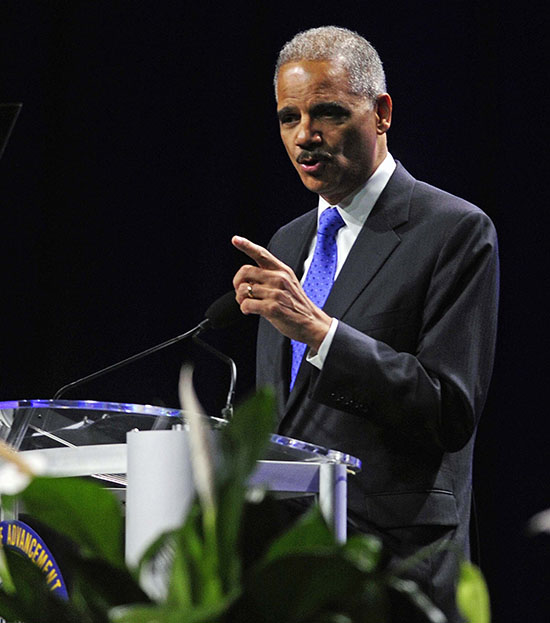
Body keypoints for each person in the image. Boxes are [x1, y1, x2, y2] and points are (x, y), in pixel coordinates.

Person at [232, 26, 498, 621]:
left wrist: (322, 335)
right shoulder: (288, 242)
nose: (305, 136)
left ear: (380, 113)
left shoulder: (453, 231)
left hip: (396, 568)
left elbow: (448, 409)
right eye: (287, 117)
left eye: (327, 113)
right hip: (290, 567)